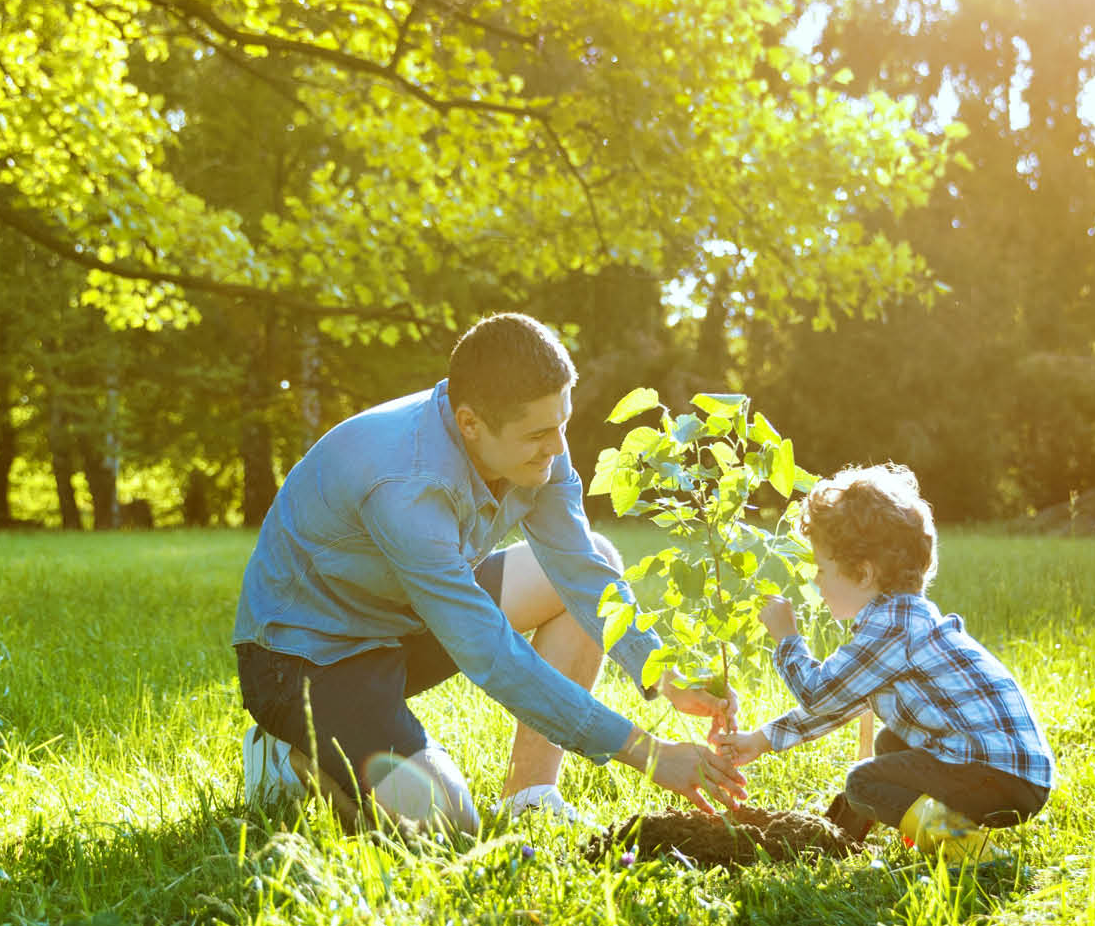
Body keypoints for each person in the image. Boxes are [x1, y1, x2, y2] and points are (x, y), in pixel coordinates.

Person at [232, 313, 745, 834]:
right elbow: (493, 656)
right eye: (540, 433)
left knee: (601, 554)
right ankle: (287, 759)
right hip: (306, 661)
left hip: (404, 623)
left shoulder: (537, 452)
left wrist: (665, 673)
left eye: (562, 424)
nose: (558, 447)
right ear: (470, 423)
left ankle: (530, 794)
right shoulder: (405, 486)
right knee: (448, 825)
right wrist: (649, 753)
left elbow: (582, 572)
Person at [713, 463, 1051, 860]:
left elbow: (818, 695)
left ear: (863, 573)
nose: (816, 582)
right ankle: (849, 837)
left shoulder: (890, 628)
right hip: (1011, 774)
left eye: (822, 570)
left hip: (998, 775)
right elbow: (839, 704)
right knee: (891, 742)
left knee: (864, 782)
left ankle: (969, 849)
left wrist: (787, 639)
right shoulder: (903, 619)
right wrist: (761, 740)